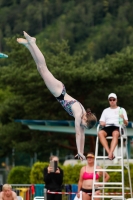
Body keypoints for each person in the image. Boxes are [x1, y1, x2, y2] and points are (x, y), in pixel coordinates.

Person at [17, 31, 97, 160]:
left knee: (40, 68)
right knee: (43, 67)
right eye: (84, 124)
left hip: (60, 91)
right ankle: (33, 42)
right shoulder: (78, 114)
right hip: (59, 92)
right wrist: (79, 150)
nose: (82, 126)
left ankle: (29, 46)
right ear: (85, 119)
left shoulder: (83, 116)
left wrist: (81, 152)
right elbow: (78, 134)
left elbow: (82, 135)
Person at [98, 93, 128, 160]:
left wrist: (123, 119)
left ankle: (110, 153)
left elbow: (126, 123)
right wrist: (102, 123)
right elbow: (101, 121)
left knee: (115, 133)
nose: (112, 101)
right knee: (100, 133)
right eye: (110, 100)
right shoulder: (105, 110)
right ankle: (110, 153)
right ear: (109, 101)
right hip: (108, 126)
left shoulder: (121, 109)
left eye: (113, 99)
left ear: (116, 100)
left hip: (118, 127)